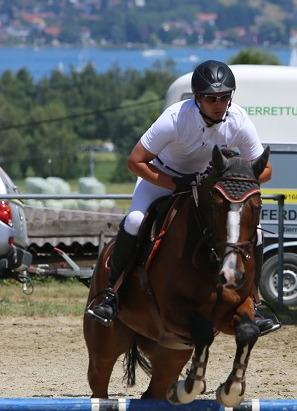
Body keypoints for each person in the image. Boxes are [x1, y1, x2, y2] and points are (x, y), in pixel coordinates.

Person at [85, 59, 276, 331]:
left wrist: (233, 180)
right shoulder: (175, 119)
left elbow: (266, 169)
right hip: (164, 178)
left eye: (224, 97)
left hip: (211, 186)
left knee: (255, 232)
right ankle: (112, 294)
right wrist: (175, 183)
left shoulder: (239, 121)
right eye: (212, 98)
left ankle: (253, 301)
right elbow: (135, 162)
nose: (219, 104)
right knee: (135, 222)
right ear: (198, 98)